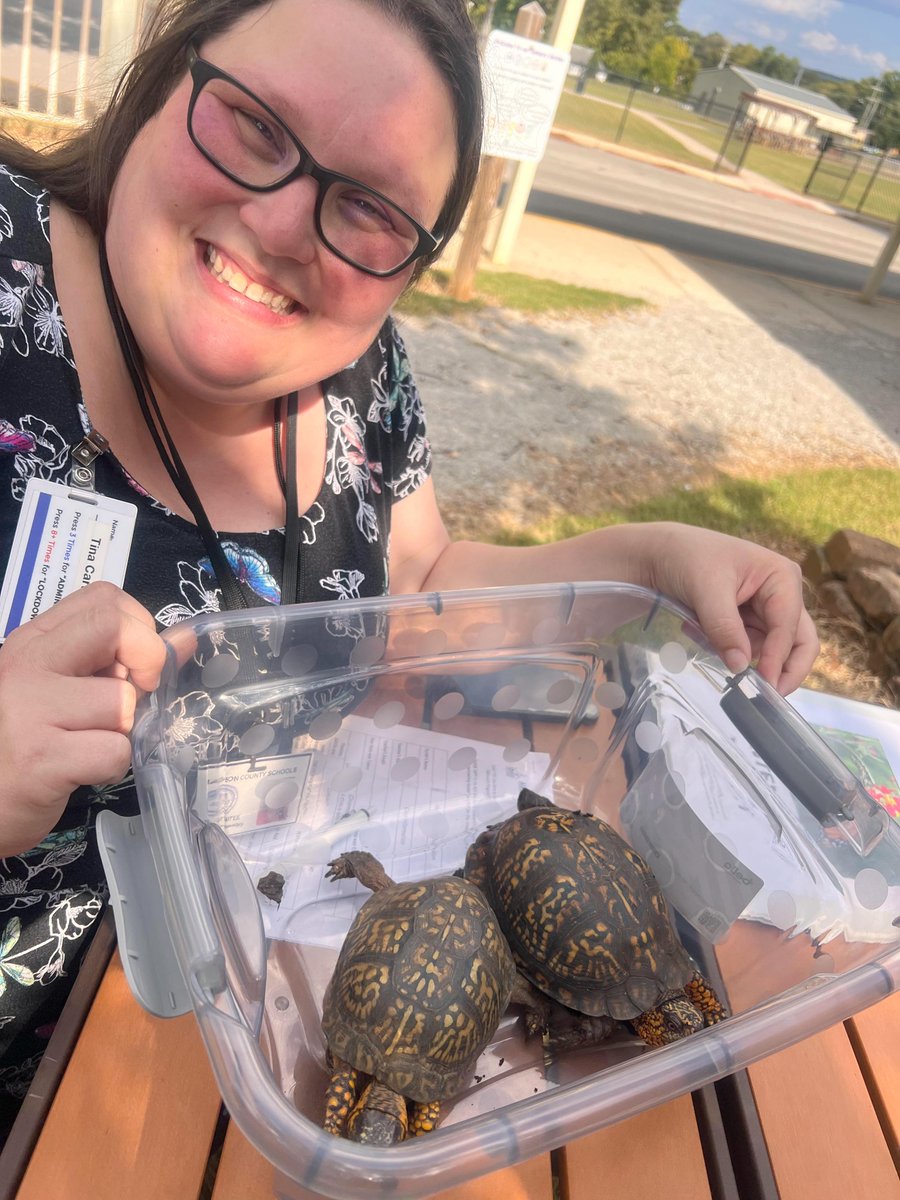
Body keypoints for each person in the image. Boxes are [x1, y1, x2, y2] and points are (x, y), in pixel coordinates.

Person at [0, 0, 817, 1137]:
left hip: (259, 1028)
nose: (289, 222)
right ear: (163, 78)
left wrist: (655, 559)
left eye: (372, 211)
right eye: (253, 126)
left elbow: (418, 588)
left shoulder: (359, 375)